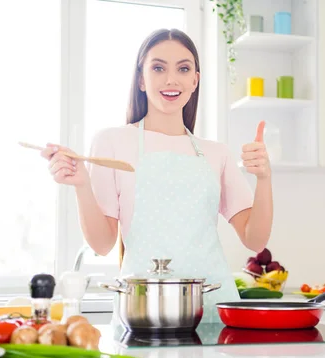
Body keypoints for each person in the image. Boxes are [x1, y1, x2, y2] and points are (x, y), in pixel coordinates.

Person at [41, 28, 273, 327]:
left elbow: (255, 239)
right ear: (141, 79)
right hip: (143, 309)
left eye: (183, 68)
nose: (171, 79)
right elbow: (102, 244)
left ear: (195, 80)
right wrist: (82, 185)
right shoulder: (112, 142)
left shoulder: (216, 153)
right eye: (158, 67)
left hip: (211, 307)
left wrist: (264, 179)